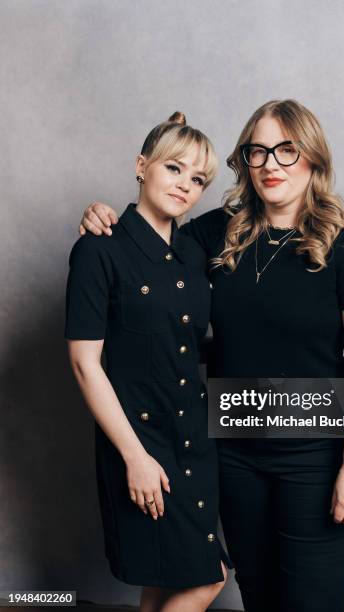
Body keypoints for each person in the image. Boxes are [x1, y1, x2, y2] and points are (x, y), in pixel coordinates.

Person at [78, 99, 344, 612]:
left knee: (313, 601)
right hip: (230, 455)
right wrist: (103, 218)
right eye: (258, 151)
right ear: (244, 162)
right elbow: (147, 252)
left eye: (287, 150)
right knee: (259, 596)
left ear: (313, 158)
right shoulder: (213, 233)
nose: (271, 163)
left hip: (313, 455)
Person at [65, 112, 231, 612]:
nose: (185, 185)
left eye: (198, 179)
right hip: (139, 442)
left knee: (163, 581)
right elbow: (84, 365)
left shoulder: (193, 253)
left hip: (195, 443)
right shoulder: (99, 251)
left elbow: (182, 344)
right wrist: (135, 458)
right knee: (206, 579)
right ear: (142, 166)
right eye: (174, 169)